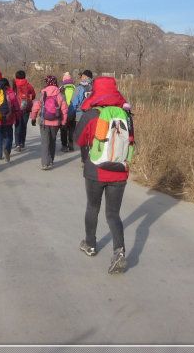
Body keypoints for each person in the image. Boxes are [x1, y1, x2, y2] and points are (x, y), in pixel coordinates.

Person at [74, 76, 134, 274]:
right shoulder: (126, 115)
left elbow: (78, 140)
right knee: (113, 214)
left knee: (93, 207)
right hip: (119, 171)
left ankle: (90, 244)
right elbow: (131, 141)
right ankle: (119, 252)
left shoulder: (91, 114)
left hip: (95, 170)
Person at [30, 75, 68, 170]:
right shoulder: (60, 95)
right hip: (56, 122)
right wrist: (63, 122)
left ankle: (45, 163)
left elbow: (35, 107)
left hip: (44, 122)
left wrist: (33, 118)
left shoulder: (42, 94)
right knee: (52, 141)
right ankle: (51, 161)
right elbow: (64, 110)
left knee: (45, 142)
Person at [0, 78, 21, 163]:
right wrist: (18, 116)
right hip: (9, 118)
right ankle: (7, 150)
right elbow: (16, 106)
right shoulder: (11, 93)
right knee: (8, 136)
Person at [69, 69, 93, 163]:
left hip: (80, 116)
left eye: (82, 76)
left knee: (83, 138)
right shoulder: (94, 88)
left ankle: (84, 158)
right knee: (91, 137)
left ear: (85, 77)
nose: (81, 78)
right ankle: (91, 156)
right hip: (93, 115)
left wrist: (69, 115)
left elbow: (74, 103)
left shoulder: (79, 88)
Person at [13, 70, 36, 151]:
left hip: (16, 108)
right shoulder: (28, 85)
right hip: (26, 108)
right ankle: (22, 143)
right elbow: (33, 95)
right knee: (24, 125)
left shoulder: (14, 84)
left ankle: (17, 144)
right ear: (24, 76)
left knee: (17, 126)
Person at [59, 72, 76, 152]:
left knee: (63, 128)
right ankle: (71, 145)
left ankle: (64, 146)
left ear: (64, 79)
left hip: (63, 111)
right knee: (72, 129)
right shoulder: (75, 88)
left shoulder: (61, 88)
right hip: (73, 111)